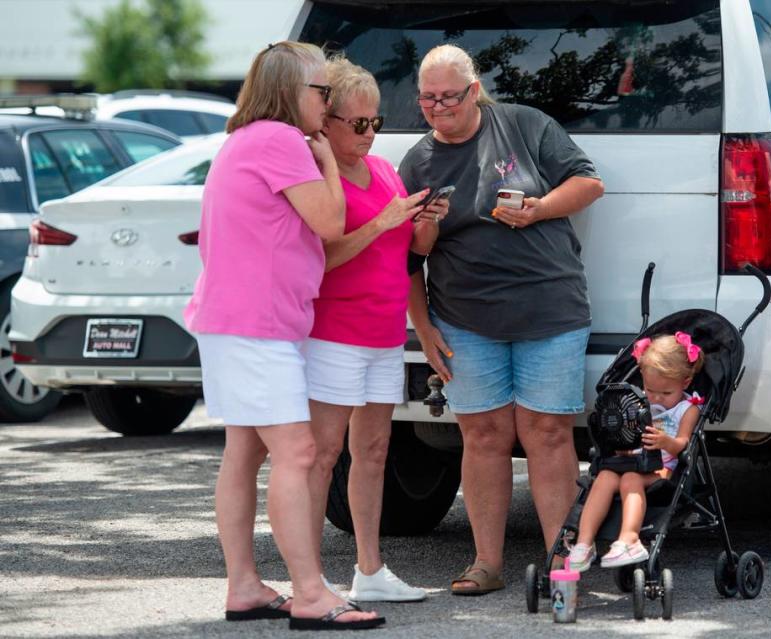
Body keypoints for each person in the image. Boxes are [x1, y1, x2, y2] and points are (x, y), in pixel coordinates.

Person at [184, 41, 383, 630]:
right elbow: (329, 221)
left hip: (239, 322)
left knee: (245, 452)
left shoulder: (244, 140)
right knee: (296, 453)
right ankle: (310, 593)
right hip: (256, 326)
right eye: (321, 92)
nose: (327, 103)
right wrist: (325, 159)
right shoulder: (278, 139)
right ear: (288, 93)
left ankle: (245, 585)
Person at [398, 44, 605, 595]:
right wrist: (423, 329)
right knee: (483, 436)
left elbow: (589, 183)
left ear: (474, 91)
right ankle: (486, 563)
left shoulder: (525, 125)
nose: (437, 107)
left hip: (550, 308)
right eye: (427, 98)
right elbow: (409, 259)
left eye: (448, 96)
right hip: (464, 318)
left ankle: (562, 566)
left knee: (548, 433)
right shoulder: (417, 161)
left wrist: (538, 208)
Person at [303, 57, 448, 603]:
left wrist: (425, 224)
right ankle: (309, 573)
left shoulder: (384, 170)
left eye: (375, 124)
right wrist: (385, 221)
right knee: (322, 456)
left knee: (375, 451)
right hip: (334, 332)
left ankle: (370, 569)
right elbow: (321, 255)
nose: (369, 134)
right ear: (327, 120)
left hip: (384, 333)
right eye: (358, 124)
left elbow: (413, 253)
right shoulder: (320, 176)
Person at [567, 333, 703, 571]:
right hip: (631, 461)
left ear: (686, 382)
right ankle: (584, 543)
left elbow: (682, 444)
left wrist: (664, 442)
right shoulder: (638, 402)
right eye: (650, 390)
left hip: (661, 468)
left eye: (666, 393)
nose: (657, 398)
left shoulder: (686, 409)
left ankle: (630, 539)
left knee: (630, 479)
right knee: (603, 478)